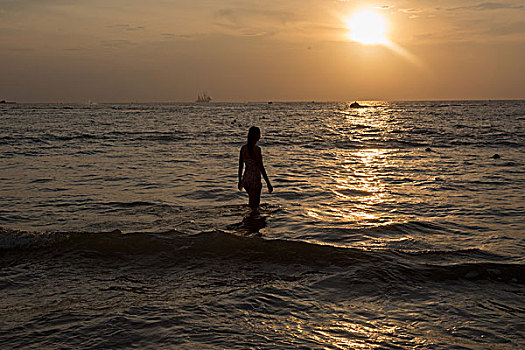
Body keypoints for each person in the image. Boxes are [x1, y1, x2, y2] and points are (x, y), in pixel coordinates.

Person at [238, 126, 273, 211]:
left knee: (252, 202)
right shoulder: (256, 149)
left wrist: (240, 180)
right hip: (255, 180)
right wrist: (268, 183)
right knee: (255, 205)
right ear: (257, 136)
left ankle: (249, 221)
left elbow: (240, 166)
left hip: (246, 179)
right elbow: (261, 167)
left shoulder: (243, 148)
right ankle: (253, 221)